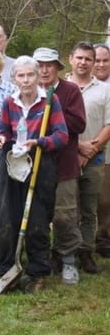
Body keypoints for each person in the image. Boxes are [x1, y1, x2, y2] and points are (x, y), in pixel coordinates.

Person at [0, 56, 68, 292]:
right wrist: (1, 138)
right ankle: (9, 267)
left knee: (36, 220)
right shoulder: (9, 102)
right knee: (8, 216)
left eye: (30, 75)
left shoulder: (49, 101)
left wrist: (39, 142)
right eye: (21, 75)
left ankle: (38, 271)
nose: (26, 80)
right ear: (14, 78)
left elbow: (62, 136)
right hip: (13, 163)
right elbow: (4, 130)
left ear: (37, 76)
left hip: (40, 163)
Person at [33, 47, 86, 285]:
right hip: (36, 166)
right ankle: (43, 259)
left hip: (64, 163)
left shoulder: (70, 91)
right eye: (40, 65)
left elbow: (78, 123)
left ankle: (68, 260)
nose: (44, 70)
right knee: (39, 214)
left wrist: (53, 112)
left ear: (57, 67)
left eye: (49, 65)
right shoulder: (29, 91)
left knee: (65, 215)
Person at [67, 41, 110, 274]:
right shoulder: (61, 88)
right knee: (67, 208)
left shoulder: (104, 90)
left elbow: (109, 124)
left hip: (93, 158)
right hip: (67, 156)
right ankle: (67, 252)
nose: (83, 62)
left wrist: (90, 150)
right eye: (79, 58)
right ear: (71, 58)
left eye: (88, 59)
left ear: (93, 63)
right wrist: (76, 148)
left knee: (89, 209)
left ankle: (86, 252)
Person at [93, 44, 110, 257]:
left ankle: (104, 240)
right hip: (83, 150)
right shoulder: (77, 85)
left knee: (106, 199)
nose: (100, 64)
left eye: (105, 61)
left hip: (106, 150)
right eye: (97, 60)